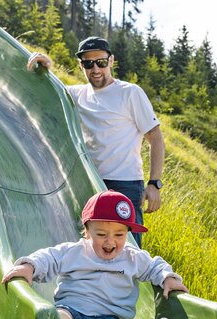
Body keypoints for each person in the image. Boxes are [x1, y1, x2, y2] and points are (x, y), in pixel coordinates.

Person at [0, 190, 189, 319]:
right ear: (87, 231)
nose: (110, 241)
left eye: (119, 235)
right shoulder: (74, 251)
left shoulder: (133, 258)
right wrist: (29, 267)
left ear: (127, 233)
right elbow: (49, 258)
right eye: (101, 234)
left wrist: (168, 278)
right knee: (60, 317)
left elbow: (154, 265)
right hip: (71, 310)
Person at [27, 37, 165, 247]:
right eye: (88, 64)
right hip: (88, 182)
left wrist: (154, 184)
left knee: (127, 247)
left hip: (124, 184)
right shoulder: (76, 94)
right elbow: (45, 92)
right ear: (80, 65)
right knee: (88, 245)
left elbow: (155, 137)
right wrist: (45, 66)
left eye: (100, 62)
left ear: (111, 61)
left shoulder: (130, 93)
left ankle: (130, 281)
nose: (95, 69)